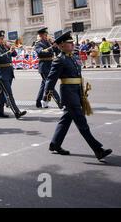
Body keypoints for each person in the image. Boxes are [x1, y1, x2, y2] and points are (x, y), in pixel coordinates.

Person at [43, 31, 112, 161]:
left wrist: (82, 95)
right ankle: (98, 150)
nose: (73, 44)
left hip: (76, 92)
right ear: (62, 45)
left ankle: (55, 144)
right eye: (70, 43)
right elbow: (50, 79)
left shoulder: (73, 57)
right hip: (69, 94)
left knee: (65, 120)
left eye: (72, 42)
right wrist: (46, 97)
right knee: (82, 122)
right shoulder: (59, 60)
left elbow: (78, 78)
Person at [0, 31, 27, 119]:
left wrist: (11, 47)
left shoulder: (5, 46)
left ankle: (0, 112)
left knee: (3, 94)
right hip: (1, 74)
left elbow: (14, 54)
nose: (3, 40)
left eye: (3, 38)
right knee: (9, 94)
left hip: (9, 73)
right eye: (1, 39)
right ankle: (17, 112)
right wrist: (8, 51)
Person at [34, 28, 61, 109]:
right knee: (50, 85)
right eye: (45, 35)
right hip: (44, 66)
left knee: (44, 85)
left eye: (46, 35)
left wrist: (55, 45)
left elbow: (57, 52)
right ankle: (60, 102)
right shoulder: (38, 44)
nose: (46, 36)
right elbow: (41, 52)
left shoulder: (48, 42)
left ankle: (39, 102)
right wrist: (51, 47)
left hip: (50, 65)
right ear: (41, 35)